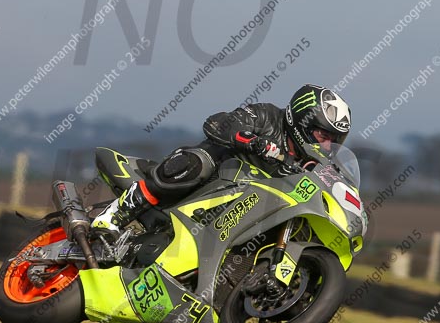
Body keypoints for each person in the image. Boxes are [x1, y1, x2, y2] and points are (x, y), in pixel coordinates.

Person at [91, 84, 352, 234]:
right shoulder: (267, 116)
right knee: (199, 162)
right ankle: (117, 213)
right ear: (302, 118)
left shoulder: (312, 165)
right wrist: (254, 142)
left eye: (334, 139)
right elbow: (219, 124)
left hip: (242, 209)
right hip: (217, 177)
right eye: (323, 134)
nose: (326, 144)